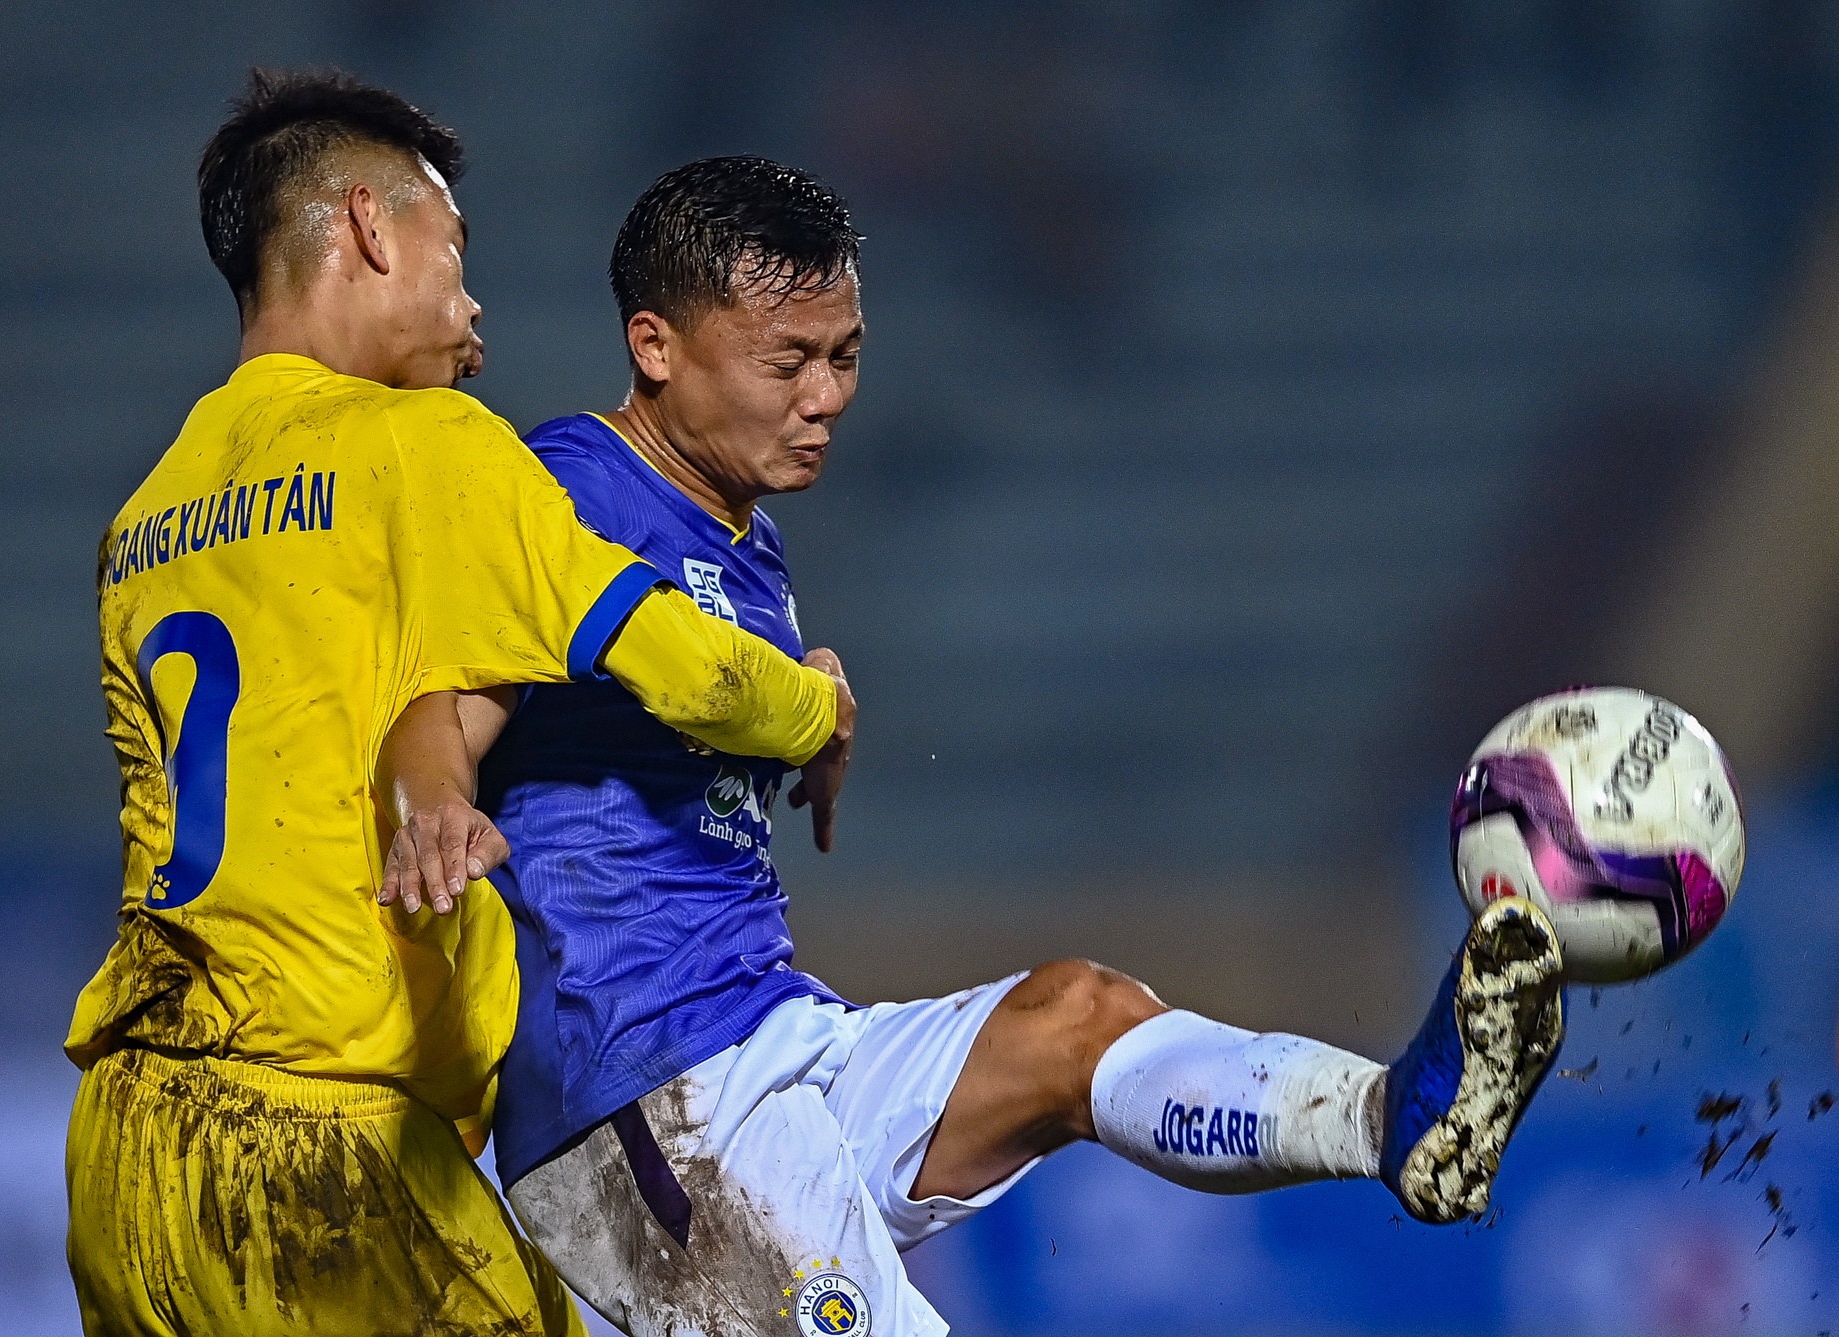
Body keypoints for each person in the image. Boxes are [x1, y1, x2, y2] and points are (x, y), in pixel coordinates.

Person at [381, 157, 1565, 1337]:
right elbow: (451, 699)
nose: (826, 394)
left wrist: (809, 700)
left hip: (770, 1035)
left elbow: (691, 683)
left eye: (844, 354)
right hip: (639, 1095)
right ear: (656, 345)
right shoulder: (570, 487)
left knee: (1076, 1019)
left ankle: (1390, 1121)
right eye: (786, 361)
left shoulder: (749, 541)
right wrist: (434, 796)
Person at [64, 82, 853, 1337]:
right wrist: (815, 707)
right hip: (326, 1137)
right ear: (373, 227)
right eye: (456, 247)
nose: (471, 300)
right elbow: (694, 669)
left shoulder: (141, 523)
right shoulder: (427, 445)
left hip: (122, 1159)